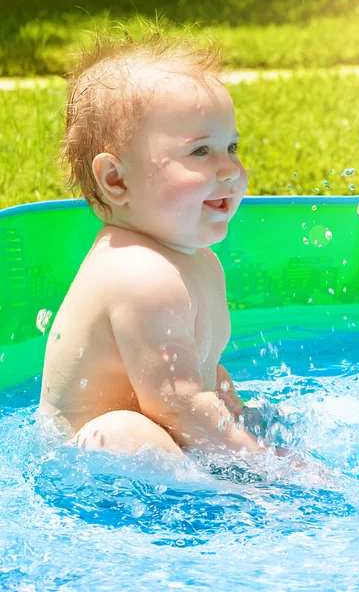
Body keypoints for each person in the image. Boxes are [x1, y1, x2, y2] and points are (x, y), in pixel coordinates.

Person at [39, 31, 283, 459]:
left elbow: (199, 380)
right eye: (201, 151)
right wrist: (272, 474)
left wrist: (235, 408)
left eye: (231, 147)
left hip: (165, 444)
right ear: (116, 180)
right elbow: (181, 405)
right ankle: (229, 495)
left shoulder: (199, 262)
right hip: (84, 463)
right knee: (121, 432)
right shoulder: (139, 274)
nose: (229, 169)